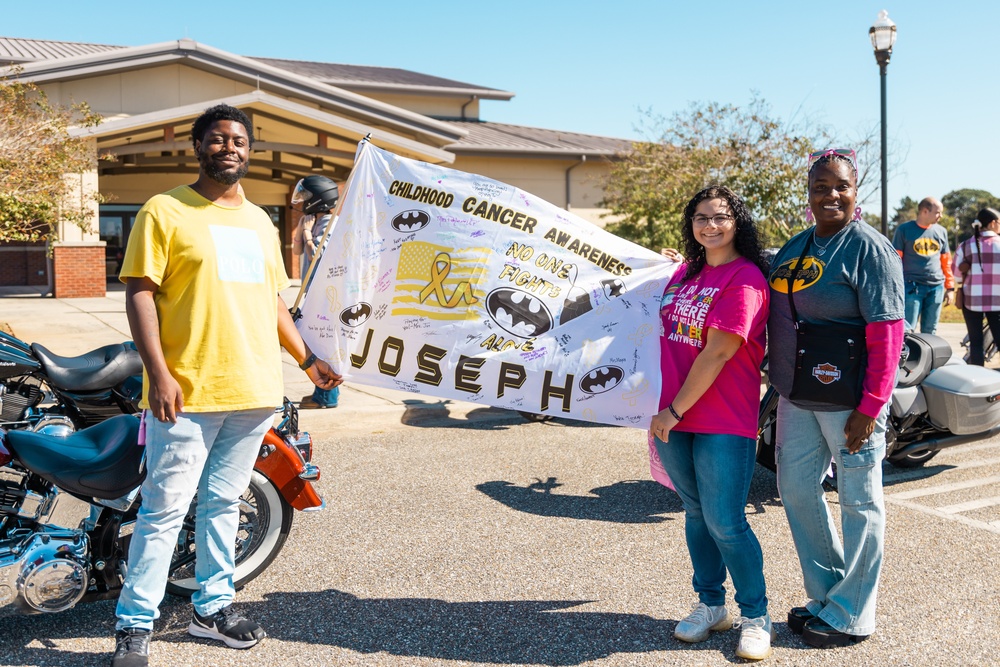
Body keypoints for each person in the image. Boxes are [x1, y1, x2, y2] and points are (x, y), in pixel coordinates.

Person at [111, 104, 341, 667]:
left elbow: (273, 304)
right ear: (199, 146)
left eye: (238, 139)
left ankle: (211, 610)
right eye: (217, 138)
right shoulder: (165, 211)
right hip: (186, 392)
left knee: (223, 504)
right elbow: (140, 292)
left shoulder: (261, 221)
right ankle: (134, 623)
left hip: (255, 388)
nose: (229, 147)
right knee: (164, 510)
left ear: (248, 150)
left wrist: (308, 361)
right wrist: (159, 373)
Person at [767, 148, 904, 649]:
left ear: (855, 191)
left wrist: (871, 407)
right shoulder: (796, 245)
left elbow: (888, 333)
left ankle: (854, 614)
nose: (830, 195)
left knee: (859, 502)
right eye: (820, 187)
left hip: (851, 402)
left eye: (840, 186)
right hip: (798, 395)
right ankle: (827, 595)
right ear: (808, 194)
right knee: (798, 491)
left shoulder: (871, 250)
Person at [651, 185, 773, 661]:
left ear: (737, 222)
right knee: (696, 513)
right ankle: (710, 604)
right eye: (700, 218)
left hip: (719, 416)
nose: (710, 225)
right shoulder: (687, 273)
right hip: (671, 416)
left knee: (726, 521)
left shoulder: (744, 279)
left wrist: (675, 410)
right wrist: (665, 266)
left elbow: (720, 350)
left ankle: (756, 615)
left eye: (720, 217)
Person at [291, 175, 342, 409]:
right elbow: (296, 251)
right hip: (314, 295)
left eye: (306, 197)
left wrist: (310, 234)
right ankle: (320, 394)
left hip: (325, 297)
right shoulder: (312, 220)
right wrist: (302, 228)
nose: (302, 201)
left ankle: (327, 397)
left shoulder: (332, 224)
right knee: (315, 343)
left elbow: (317, 259)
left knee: (323, 346)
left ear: (318, 200)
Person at [892, 196, 954, 333]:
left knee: (931, 330)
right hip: (912, 286)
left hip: (936, 287)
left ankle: (929, 355)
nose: (941, 216)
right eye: (938, 212)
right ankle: (909, 355)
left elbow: (946, 261)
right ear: (925, 211)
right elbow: (895, 260)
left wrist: (950, 288)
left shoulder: (941, 231)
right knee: (908, 329)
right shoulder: (904, 230)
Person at [953, 208, 1000, 366]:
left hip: (972, 301)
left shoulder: (966, 245)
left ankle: (978, 377)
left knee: (976, 343)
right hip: (998, 301)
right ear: (993, 223)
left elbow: (956, 275)